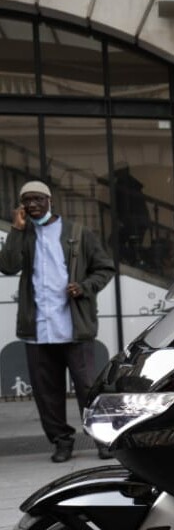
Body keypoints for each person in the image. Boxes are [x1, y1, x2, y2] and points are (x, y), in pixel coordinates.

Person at [0, 180, 116, 462]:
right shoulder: (23, 234)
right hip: (37, 330)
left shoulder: (78, 232)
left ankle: (101, 438)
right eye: (26, 200)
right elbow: (7, 265)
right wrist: (15, 229)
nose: (32, 204)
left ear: (50, 200)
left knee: (88, 387)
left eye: (38, 199)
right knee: (46, 392)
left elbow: (104, 268)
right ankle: (61, 441)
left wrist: (84, 287)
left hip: (74, 326)